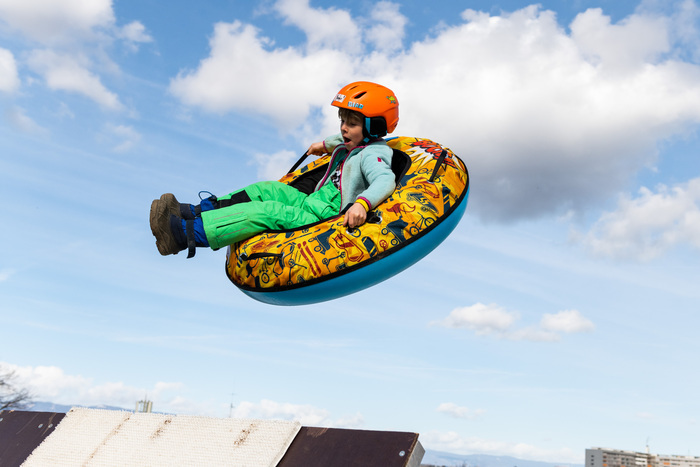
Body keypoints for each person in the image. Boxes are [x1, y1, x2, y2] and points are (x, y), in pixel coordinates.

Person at [149, 81, 400, 258]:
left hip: (323, 218)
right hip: (312, 201)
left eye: (352, 123)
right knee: (265, 189)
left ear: (374, 127)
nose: (344, 128)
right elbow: (341, 140)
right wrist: (322, 145)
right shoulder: (354, 141)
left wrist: (362, 204)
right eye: (342, 121)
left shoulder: (374, 153)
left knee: (266, 212)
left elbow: (384, 180)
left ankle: (182, 234)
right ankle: (193, 212)